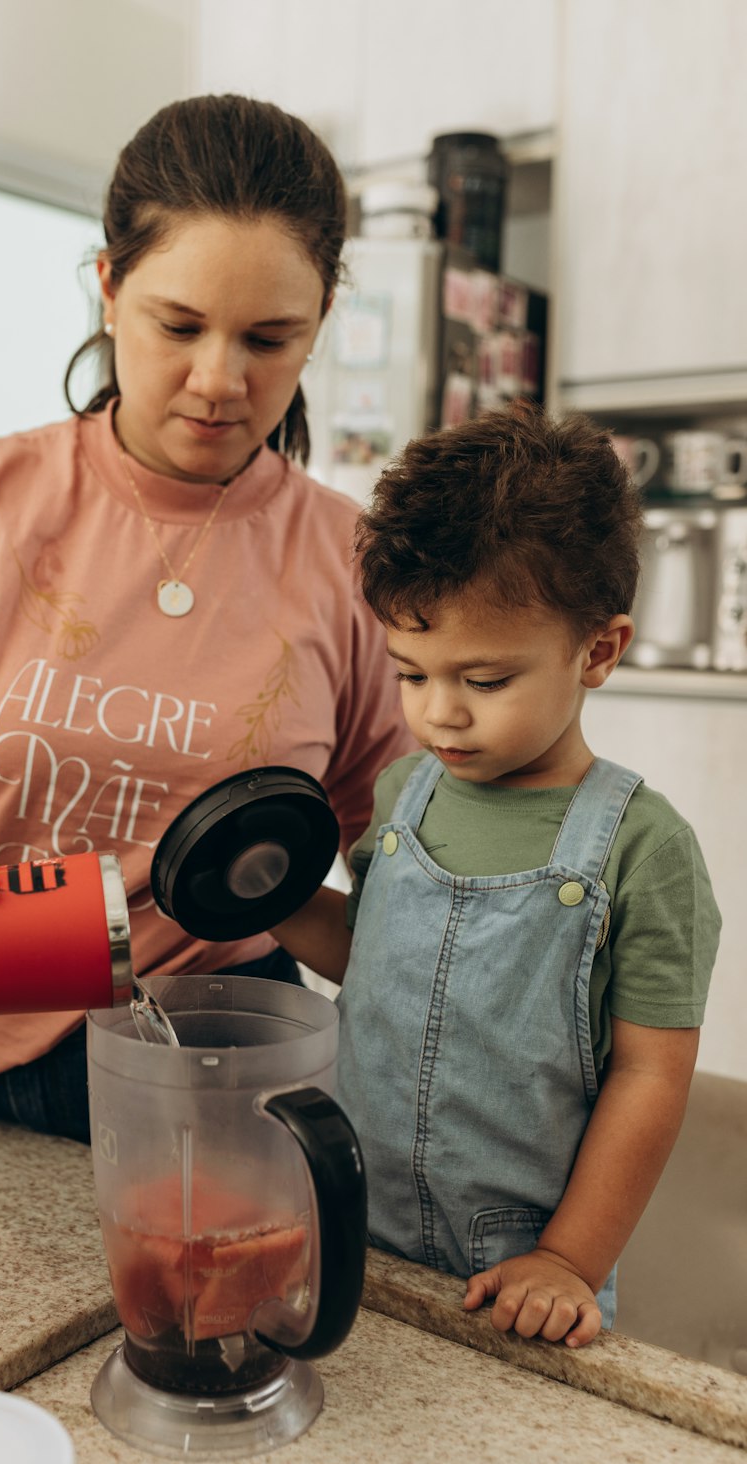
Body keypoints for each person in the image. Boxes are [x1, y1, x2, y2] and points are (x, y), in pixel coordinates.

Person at [0, 94, 411, 1139]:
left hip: (224, 1066)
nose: (219, 381)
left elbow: (414, 863)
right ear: (107, 289)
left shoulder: (350, 558)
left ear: (321, 321)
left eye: (270, 337)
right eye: (178, 325)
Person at [270, 402, 721, 1348]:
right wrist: (273, 898)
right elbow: (380, 958)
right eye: (411, 673)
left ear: (598, 649)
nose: (441, 716)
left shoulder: (645, 850)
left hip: (523, 1275)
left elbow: (650, 1074)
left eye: (484, 681)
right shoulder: (403, 793)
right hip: (354, 1232)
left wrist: (570, 1260)